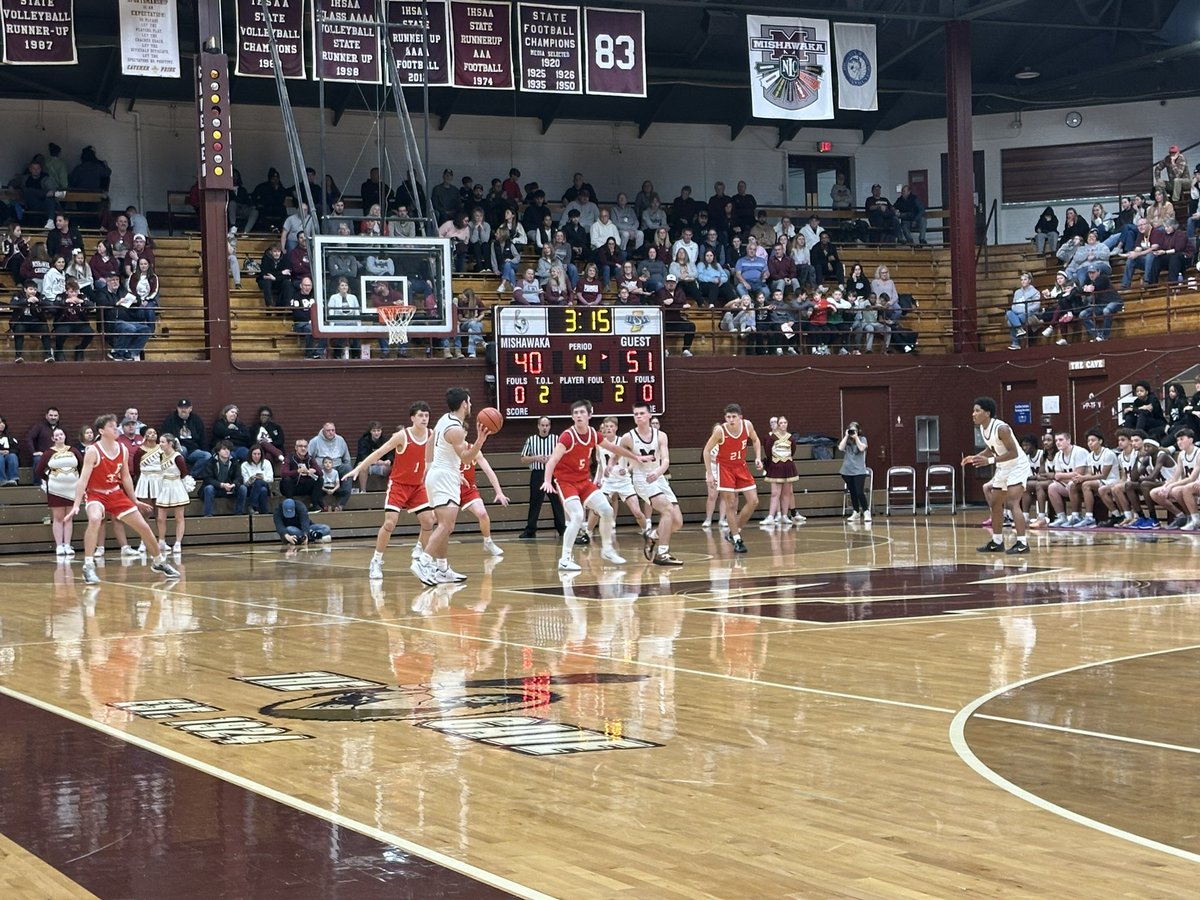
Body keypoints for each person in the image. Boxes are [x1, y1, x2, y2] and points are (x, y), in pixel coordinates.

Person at [70, 413, 181, 585]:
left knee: (143, 526)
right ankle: (88, 566)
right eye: (112, 427)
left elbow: (126, 477)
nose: (116, 429)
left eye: (116, 426)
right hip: (96, 493)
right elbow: (83, 479)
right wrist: (76, 504)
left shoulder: (122, 449)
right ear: (101, 430)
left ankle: (159, 561)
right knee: (94, 519)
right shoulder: (93, 451)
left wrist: (134, 500)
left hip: (115, 493)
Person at [543, 399, 644, 572]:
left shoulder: (593, 434)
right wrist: (546, 481)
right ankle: (565, 559)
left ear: (590, 415)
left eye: (582, 412)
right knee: (577, 516)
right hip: (566, 482)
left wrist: (636, 457)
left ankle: (607, 549)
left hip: (584, 482)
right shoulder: (567, 436)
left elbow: (613, 448)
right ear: (572, 417)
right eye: (575, 413)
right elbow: (552, 460)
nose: (578, 415)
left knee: (607, 510)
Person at [347, 401, 437, 581]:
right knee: (390, 523)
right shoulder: (401, 436)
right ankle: (376, 561)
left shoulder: (432, 435)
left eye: (426, 416)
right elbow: (379, 452)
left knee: (429, 520)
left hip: (418, 485)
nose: (424, 419)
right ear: (412, 418)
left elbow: (441, 456)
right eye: (420, 415)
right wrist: (360, 467)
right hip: (399, 484)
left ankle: (420, 552)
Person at [416, 387, 491, 585]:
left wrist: (431, 468)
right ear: (464, 404)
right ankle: (423, 562)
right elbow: (466, 456)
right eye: (470, 401)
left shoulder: (444, 420)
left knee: (445, 526)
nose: (471, 405)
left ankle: (442, 569)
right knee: (446, 525)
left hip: (441, 474)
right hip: (443, 478)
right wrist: (480, 441)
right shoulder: (456, 429)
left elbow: (430, 442)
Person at [963, 398, 1032, 553]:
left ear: (987, 413)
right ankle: (997, 541)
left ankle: (1022, 543)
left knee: (1013, 503)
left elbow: (1013, 453)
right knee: (995, 504)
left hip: (1017, 465)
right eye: (974, 410)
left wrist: (988, 461)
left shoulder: (1002, 428)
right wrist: (975, 457)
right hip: (1003, 465)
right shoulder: (983, 427)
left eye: (977, 410)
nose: (973, 414)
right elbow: (992, 448)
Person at [621, 403, 685, 566]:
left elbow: (666, 460)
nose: (639, 416)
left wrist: (658, 473)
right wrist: (617, 466)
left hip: (658, 476)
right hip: (642, 478)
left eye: (642, 413)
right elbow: (617, 451)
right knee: (667, 509)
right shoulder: (628, 437)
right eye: (635, 414)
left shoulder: (661, 435)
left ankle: (652, 536)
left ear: (650, 415)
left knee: (677, 522)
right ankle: (662, 553)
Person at [702, 404, 763, 553]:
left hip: (741, 467)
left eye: (734, 417)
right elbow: (706, 450)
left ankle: (734, 530)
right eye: (728, 417)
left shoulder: (747, 425)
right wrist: (709, 473)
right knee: (730, 504)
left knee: (753, 501)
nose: (731, 420)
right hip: (725, 469)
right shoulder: (720, 431)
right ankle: (737, 538)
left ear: (740, 417)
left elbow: (755, 440)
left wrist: (757, 457)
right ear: (725, 418)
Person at [455, 439, 509, 558]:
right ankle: (422, 547)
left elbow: (488, 471)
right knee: (436, 521)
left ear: (464, 434)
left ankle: (488, 542)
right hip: (449, 488)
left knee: (482, 513)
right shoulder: (448, 448)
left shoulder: (474, 450)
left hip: (468, 489)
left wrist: (499, 492)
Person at [34, 426, 82, 557]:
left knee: (69, 517)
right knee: (58, 517)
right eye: (57, 435)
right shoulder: (48, 453)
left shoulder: (74, 451)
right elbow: (39, 470)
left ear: (65, 436)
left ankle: (67, 544)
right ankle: (59, 546)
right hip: (56, 489)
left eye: (61, 434)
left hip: (72, 488)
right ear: (53, 438)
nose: (59, 436)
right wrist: (50, 479)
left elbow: (82, 466)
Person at [519, 416, 566, 539]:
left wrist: (552, 458)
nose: (545, 428)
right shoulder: (531, 440)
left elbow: (564, 456)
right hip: (537, 473)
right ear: (538, 426)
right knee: (535, 502)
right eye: (542, 425)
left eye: (547, 425)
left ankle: (562, 528)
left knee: (557, 502)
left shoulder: (556, 439)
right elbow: (523, 459)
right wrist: (536, 458)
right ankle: (530, 530)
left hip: (553, 474)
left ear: (550, 426)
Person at [762, 415, 805, 526]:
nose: (783, 425)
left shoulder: (791, 438)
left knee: (786, 493)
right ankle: (771, 516)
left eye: (785, 422)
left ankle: (785, 516)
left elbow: (793, 450)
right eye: (780, 423)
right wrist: (775, 461)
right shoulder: (772, 438)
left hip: (788, 467)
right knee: (775, 493)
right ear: (778, 425)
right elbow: (767, 451)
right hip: (776, 466)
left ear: (787, 424)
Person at [154, 433, 189, 553]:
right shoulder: (160, 456)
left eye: (163, 442)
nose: (160, 444)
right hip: (164, 486)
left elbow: (184, 473)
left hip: (176, 485)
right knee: (160, 517)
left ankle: (178, 543)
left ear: (170, 443)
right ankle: (162, 541)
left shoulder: (178, 457)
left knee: (179, 517)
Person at [161, 398, 210, 474]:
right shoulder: (170, 420)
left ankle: (191, 475)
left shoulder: (196, 419)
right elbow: (165, 436)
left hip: (193, 450)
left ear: (190, 409)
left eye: (186, 408)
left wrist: (204, 449)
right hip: (178, 449)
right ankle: (182, 474)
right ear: (177, 408)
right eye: (181, 408)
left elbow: (203, 437)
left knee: (207, 456)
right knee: (183, 449)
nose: (183, 410)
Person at [200, 441, 247, 517]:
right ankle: (208, 514)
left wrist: (233, 484)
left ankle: (239, 513)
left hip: (230, 488)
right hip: (216, 488)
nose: (227, 451)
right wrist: (221, 485)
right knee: (209, 488)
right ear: (218, 451)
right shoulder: (211, 462)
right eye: (224, 449)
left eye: (228, 449)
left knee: (243, 488)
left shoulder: (234, 462)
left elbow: (239, 477)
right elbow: (208, 479)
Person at [839, 421, 870, 523]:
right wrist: (846, 436)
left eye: (855, 430)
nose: (853, 432)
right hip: (847, 470)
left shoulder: (862, 439)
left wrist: (856, 437)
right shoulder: (847, 440)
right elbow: (840, 448)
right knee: (852, 492)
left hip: (859, 471)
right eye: (851, 430)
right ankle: (856, 511)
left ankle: (866, 511)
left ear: (858, 430)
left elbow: (861, 448)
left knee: (859, 492)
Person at [241, 444, 274, 514]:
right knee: (263, 490)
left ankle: (252, 505)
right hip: (251, 488)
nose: (257, 456)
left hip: (266, 484)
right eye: (254, 454)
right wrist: (251, 479)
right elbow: (245, 483)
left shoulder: (267, 463)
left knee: (259, 482)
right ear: (250, 454)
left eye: (259, 454)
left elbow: (271, 479)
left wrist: (263, 478)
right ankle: (265, 512)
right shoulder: (244, 465)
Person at [0, 415, 19, 486]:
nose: (1, 424)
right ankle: (1, 480)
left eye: (3, 423)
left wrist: (9, 452)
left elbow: (16, 449)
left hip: (7, 456)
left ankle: (13, 479)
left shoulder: (9, 436)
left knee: (13, 456)